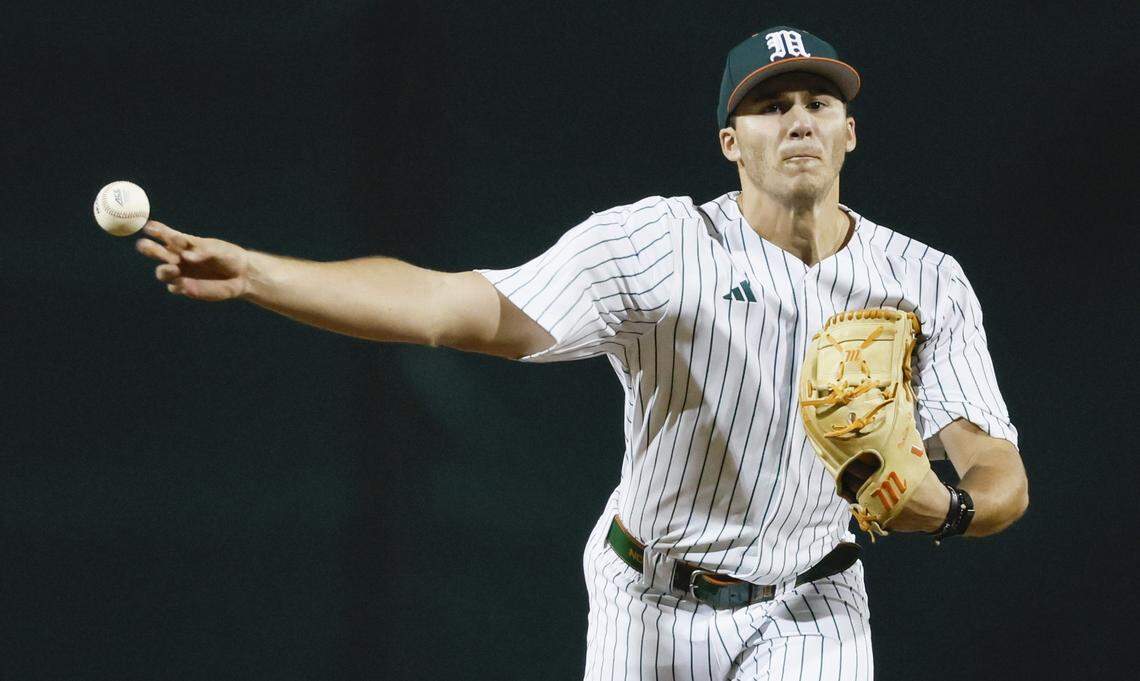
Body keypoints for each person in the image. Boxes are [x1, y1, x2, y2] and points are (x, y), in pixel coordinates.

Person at [136, 26, 1028, 681]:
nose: (796, 119)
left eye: (817, 102)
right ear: (730, 143)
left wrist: (948, 510)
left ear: (849, 133)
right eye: (767, 104)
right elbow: (452, 308)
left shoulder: (924, 280)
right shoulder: (655, 247)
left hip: (814, 603)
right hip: (654, 600)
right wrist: (258, 273)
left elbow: (997, 466)